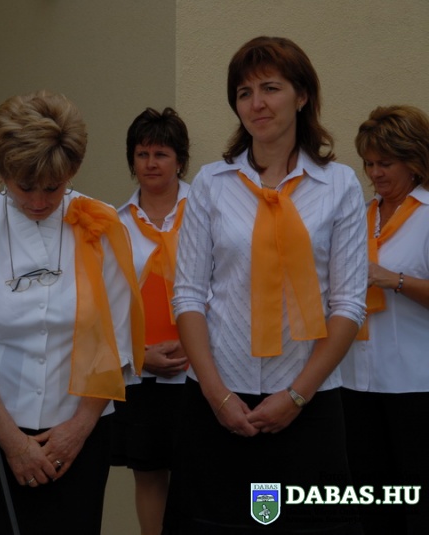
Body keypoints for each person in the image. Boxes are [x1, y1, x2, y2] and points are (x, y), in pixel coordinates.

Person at [165, 36, 367, 533]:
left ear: (302, 95)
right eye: (244, 92)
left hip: (309, 401)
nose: (256, 103)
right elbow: (188, 294)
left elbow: (348, 304)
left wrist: (296, 396)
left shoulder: (339, 185)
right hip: (217, 400)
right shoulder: (212, 184)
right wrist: (217, 395)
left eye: (271, 88)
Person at [0, 90, 144, 535]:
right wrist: (12, 442)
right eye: (24, 187)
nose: (38, 201)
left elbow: (116, 340)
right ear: (2, 173)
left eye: (52, 188)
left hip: (81, 436)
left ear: (71, 172)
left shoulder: (101, 225)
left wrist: (78, 429)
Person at [340, 105, 429, 534]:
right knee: (372, 506)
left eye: (385, 163)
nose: (374, 173)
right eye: (368, 163)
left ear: (414, 161)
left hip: (416, 385)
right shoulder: (360, 216)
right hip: (356, 383)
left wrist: (393, 280)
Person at [109, 107, 190, 535]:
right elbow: (107, 302)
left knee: (201, 474)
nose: (151, 163)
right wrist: (139, 355)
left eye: (161, 153)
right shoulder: (115, 223)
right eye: (142, 154)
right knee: (149, 473)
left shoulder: (207, 211)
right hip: (141, 372)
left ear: (180, 160)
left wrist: (194, 348)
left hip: (203, 370)